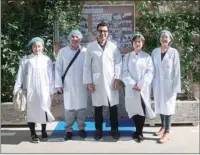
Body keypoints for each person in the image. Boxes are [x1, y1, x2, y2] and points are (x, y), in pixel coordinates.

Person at [83, 22, 122, 140]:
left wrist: (117, 78)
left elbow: (118, 63)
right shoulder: (91, 47)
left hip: (111, 82)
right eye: (100, 31)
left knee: (113, 107)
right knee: (98, 108)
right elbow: (86, 66)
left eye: (105, 31)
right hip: (97, 82)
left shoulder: (113, 47)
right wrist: (89, 82)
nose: (102, 33)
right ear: (97, 32)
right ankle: (98, 130)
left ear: (108, 33)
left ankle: (114, 129)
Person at [13, 37, 55, 143]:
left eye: (39, 46)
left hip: (44, 90)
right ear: (32, 47)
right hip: (30, 90)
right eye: (34, 46)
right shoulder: (26, 60)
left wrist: (51, 91)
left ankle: (44, 131)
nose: (37, 48)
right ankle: (33, 133)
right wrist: (17, 89)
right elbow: (20, 75)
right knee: (31, 113)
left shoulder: (47, 60)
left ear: (42, 47)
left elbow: (51, 76)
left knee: (44, 110)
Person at [122, 32, 156, 143]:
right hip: (131, 88)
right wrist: (132, 84)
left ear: (142, 43)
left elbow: (150, 72)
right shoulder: (127, 57)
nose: (138, 43)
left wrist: (141, 84)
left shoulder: (147, 57)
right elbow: (124, 72)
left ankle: (140, 132)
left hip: (142, 89)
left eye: (140, 41)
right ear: (133, 43)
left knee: (141, 109)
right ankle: (136, 131)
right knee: (134, 110)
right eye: (136, 41)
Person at [55, 29, 88, 140]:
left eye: (77, 37)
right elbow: (58, 69)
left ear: (80, 39)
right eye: (72, 37)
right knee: (69, 109)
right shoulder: (62, 52)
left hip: (81, 85)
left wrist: (89, 83)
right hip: (68, 85)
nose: (74, 39)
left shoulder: (85, 52)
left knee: (81, 109)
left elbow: (89, 68)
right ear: (69, 38)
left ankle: (81, 128)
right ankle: (68, 130)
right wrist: (58, 84)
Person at [151, 30, 181, 143]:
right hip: (157, 83)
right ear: (160, 39)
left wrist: (176, 86)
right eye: (162, 37)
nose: (164, 39)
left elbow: (177, 70)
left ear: (170, 40)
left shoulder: (174, 52)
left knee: (168, 106)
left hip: (169, 84)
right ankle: (163, 127)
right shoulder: (155, 52)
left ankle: (168, 131)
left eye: (166, 37)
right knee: (160, 105)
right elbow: (151, 68)